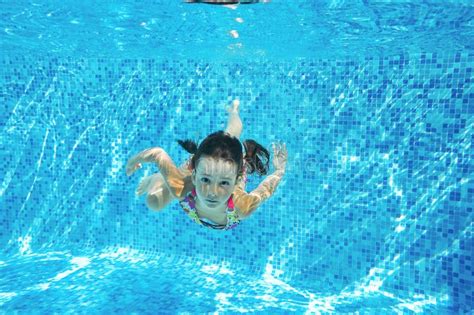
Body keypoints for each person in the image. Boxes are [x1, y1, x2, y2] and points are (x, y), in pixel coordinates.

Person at [125, 100, 287, 230]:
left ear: (238, 179)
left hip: (218, 168)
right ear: (195, 177)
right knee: (153, 201)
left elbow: (265, 190)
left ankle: (233, 111)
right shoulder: (183, 187)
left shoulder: (242, 206)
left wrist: (280, 170)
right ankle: (158, 178)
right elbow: (157, 153)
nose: (212, 192)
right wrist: (133, 161)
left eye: (223, 183)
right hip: (198, 168)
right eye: (206, 181)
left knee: (231, 135)